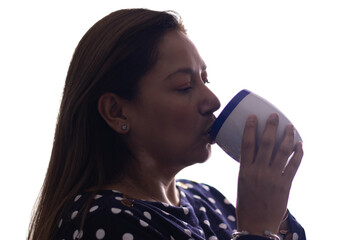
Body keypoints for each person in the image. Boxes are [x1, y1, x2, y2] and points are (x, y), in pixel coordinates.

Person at [27, 8, 305, 240]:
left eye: (205, 81)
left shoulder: (207, 199)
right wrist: (256, 229)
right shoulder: (100, 221)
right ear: (116, 112)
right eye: (184, 86)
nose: (213, 100)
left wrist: (274, 214)